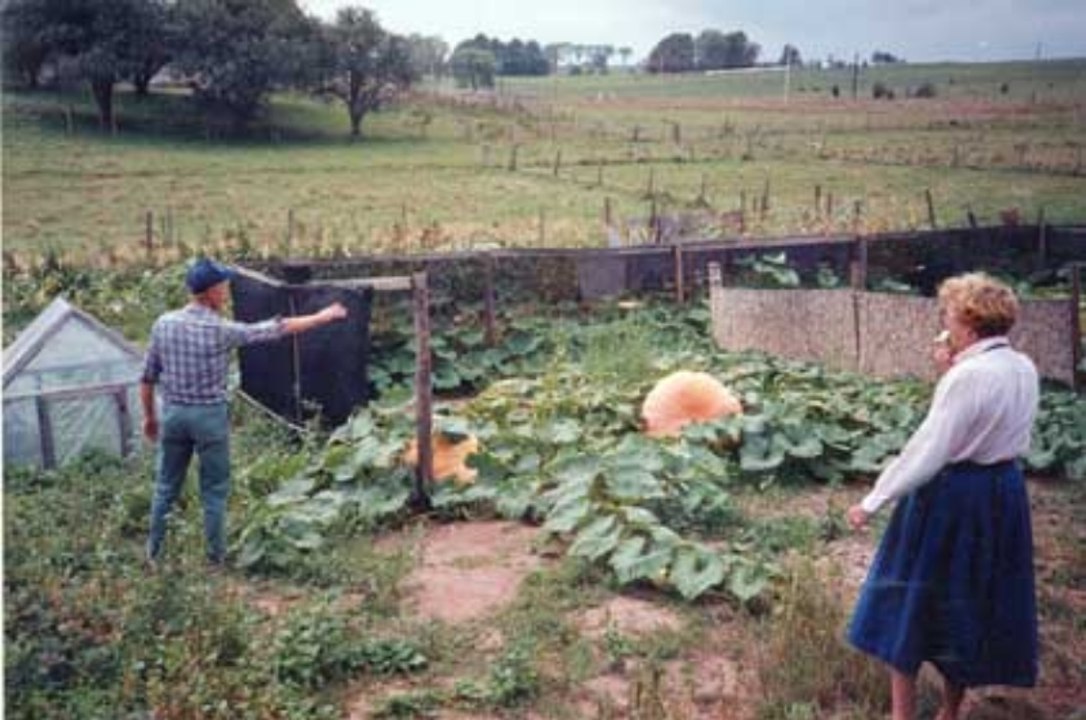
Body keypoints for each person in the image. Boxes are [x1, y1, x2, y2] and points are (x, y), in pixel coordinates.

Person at [846, 272, 1040, 720]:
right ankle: (950, 713)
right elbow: (994, 420)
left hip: (952, 497)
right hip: (1002, 494)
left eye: (949, 313)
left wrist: (873, 500)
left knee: (909, 603)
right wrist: (951, 371)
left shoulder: (966, 377)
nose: (945, 321)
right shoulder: (1022, 367)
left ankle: (902, 716)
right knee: (968, 605)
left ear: (968, 324)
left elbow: (928, 450)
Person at [140, 257, 348, 568]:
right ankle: (215, 560)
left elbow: (146, 377)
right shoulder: (221, 330)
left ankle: (153, 555)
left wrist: (150, 418)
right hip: (208, 418)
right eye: (222, 286)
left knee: (166, 486)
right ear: (210, 292)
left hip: (173, 415)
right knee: (213, 491)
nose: (226, 291)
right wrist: (322, 316)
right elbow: (275, 329)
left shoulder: (163, 324)